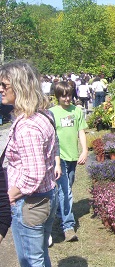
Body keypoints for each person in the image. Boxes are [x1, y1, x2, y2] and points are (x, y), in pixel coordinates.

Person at [0, 60, 61, 265]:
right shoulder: (44, 114)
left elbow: (33, 174)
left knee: (31, 260)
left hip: (31, 203)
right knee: (40, 256)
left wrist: (10, 197)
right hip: (45, 197)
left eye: (4, 85)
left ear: (20, 87)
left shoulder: (28, 127)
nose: (0, 89)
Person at [50, 81, 88, 242]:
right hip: (59, 157)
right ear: (58, 96)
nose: (67, 99)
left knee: (66, 188)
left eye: (69, 95)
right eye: (63, 96)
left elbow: (81, 131)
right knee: (66, 190)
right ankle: (68, 227)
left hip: (73, 156)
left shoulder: (76, 111)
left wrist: (85, 150)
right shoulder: (51, 113)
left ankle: (59, 213)